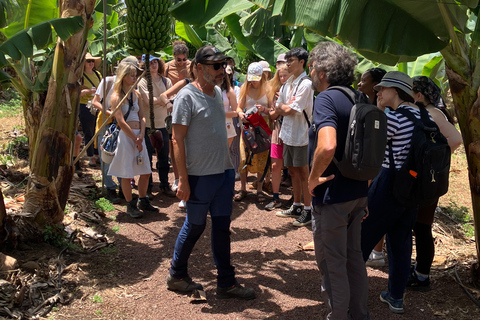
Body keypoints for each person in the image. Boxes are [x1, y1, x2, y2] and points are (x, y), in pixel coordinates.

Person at [167, 45, 255, 300]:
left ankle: (226, 282)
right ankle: (176, 274)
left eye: (223, 65)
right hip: (199, 175)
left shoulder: (217, 92)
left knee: (221, 227)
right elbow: (176, 140)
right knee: (195, 225)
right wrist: (181, 179)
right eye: (215, 66)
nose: (221, 70)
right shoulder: (186, 96)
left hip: (223, 172)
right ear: (198, 68)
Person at [308, 41, 369, 320]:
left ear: (322, 72)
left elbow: (328, 146)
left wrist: (312, 179)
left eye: (311, 66)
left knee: (333, 263)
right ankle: (359, 315)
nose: (310, 71)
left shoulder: (326, 99)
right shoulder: (361, 99)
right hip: (357, 193)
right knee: (354, 259)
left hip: (332, 195)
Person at [360, 71, 428, 314]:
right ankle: (395, 297)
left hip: (389, 183)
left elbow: (370, 146)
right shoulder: (421, 115)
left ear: (396, 91)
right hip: (412, 186)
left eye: (383, 89)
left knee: (362, 239)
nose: (378, 92)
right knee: (400, 243)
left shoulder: (394, 119)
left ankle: (352, 297)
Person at [407, 76, 462, 291]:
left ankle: (422, 276)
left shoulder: (432, 114)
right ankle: (420, 270)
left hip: (427, 180)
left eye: (411, 91)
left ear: (419, 95)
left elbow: (456, 139)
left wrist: (432, 158)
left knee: (421, 226)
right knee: (419, 225)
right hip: (427, 178)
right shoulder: (430, 112)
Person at [107, 61, 158, 218]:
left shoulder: (136, 94)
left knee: (146, 171)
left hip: (138, 135)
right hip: (126, 136)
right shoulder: (116, 96)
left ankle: (143, 199)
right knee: (126, 173)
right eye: (131, 75)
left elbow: (143, 116)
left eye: (135, 75)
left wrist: (141, 134)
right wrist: (134, 137)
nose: (134, 77)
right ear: (123, 76)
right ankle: (130, 204)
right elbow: (120, 121)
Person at [274, 47, 314, 227]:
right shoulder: (288, 83)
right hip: (288, 133)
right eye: (287, 60)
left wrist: (284, 106)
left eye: (291, 60)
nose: (287, 63)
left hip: (301, 135)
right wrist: (284, 106)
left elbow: (290, 109)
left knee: (303, 173)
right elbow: (278, 107)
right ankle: (296, 205)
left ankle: (308, 209)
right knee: (292, 171)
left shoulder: (305, 84)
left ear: (302, 63)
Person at [357, 67, 388, 267]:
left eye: (363, 80)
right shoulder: (363, 102)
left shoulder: (383, 107)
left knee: (375, 207)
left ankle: (377, 252)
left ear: (376, 84)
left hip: (379, 163)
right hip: (365, 161)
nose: (359, 84)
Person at [234, 62, 272, 203]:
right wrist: (241, 115)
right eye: (252, 79)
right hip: (248, 128)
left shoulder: (268, 89)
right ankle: (243, 188)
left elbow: (272, 111)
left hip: (262, 129)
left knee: (261, 158)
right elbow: (239, 108)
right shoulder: (245, 88)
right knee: (244, 158)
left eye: (256, 79)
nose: (254, 82)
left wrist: (263, 109)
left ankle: (260, 189)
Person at [138, 54, 175, 197]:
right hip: (147, 124)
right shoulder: (142, 81)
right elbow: (148, 102)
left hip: (163, 124)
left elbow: (172, 99)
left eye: (155, 62)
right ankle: (148, 186)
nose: (153, 65)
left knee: (164, 157)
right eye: (150, 63)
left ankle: (165, 184)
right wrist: (164, 100)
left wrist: (160, 99)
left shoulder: (166, 81)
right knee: (147, 157)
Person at [265, 64, 291, 210]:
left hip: (291, 132)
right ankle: (275, 197)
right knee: (275, 166)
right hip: (277, 131)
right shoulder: (276, 92)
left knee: (294, 168)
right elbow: (273, 115)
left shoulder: (296, 91)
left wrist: (281, 107)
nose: (282, 78)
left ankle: (297, 199)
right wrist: (281, 106)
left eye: (285, 75)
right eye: (280, 76)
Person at [79, 52, 102, 167]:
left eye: (92, 61)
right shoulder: (80, 76)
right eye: (88, 61)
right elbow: (77, 92)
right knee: (88, 130)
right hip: (84, 105)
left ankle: (97, 153)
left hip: (97, 104)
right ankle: (90, 155)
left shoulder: (97, 74)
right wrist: (89, 91)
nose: (91, 63)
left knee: (97, 129)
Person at [221, 66, 238, 147]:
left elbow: (236, 112)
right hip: (211, 126)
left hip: (226, 126)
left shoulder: (229, 91)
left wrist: (222, 114)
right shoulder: (211, 89)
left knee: (223, 155)